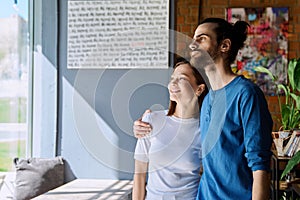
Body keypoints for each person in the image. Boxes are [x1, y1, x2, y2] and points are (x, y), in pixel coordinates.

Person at [133, 18, 273, 200]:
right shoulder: (207, 101)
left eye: (201, 39)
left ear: (224, 46)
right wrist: (143, 126)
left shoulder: (246, 94)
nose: (193, 44)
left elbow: (260, 164)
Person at [132, 61, 208, 200]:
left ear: (199, 89)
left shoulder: (206, 129)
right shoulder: (151, 120)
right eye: (172, 78)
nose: (173, 84)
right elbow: (139, 174)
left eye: (182, 78)